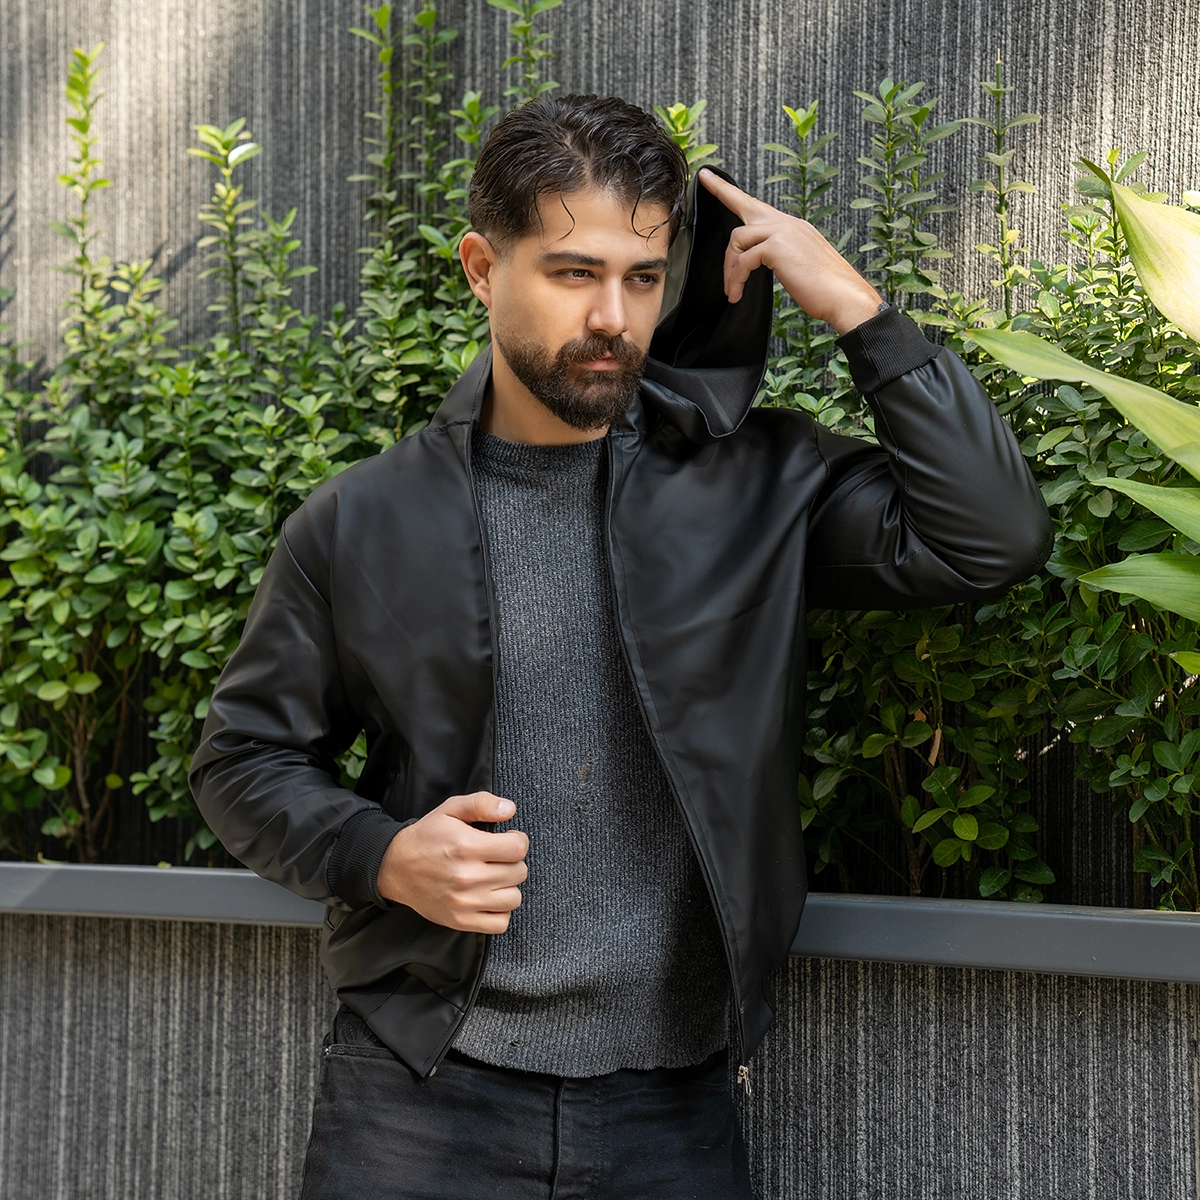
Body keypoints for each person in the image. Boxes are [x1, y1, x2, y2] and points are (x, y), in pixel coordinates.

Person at [189, 93, 1051, 1199]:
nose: (613, 317)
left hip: (671, 1108)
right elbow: (242, 759)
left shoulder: (757, 485)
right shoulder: (361, 520)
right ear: (481, 268)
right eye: (573, 273)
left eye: (643, 279)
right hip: (418, 1092)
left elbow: (991, 538)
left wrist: (857, 311)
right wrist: (383, 854)